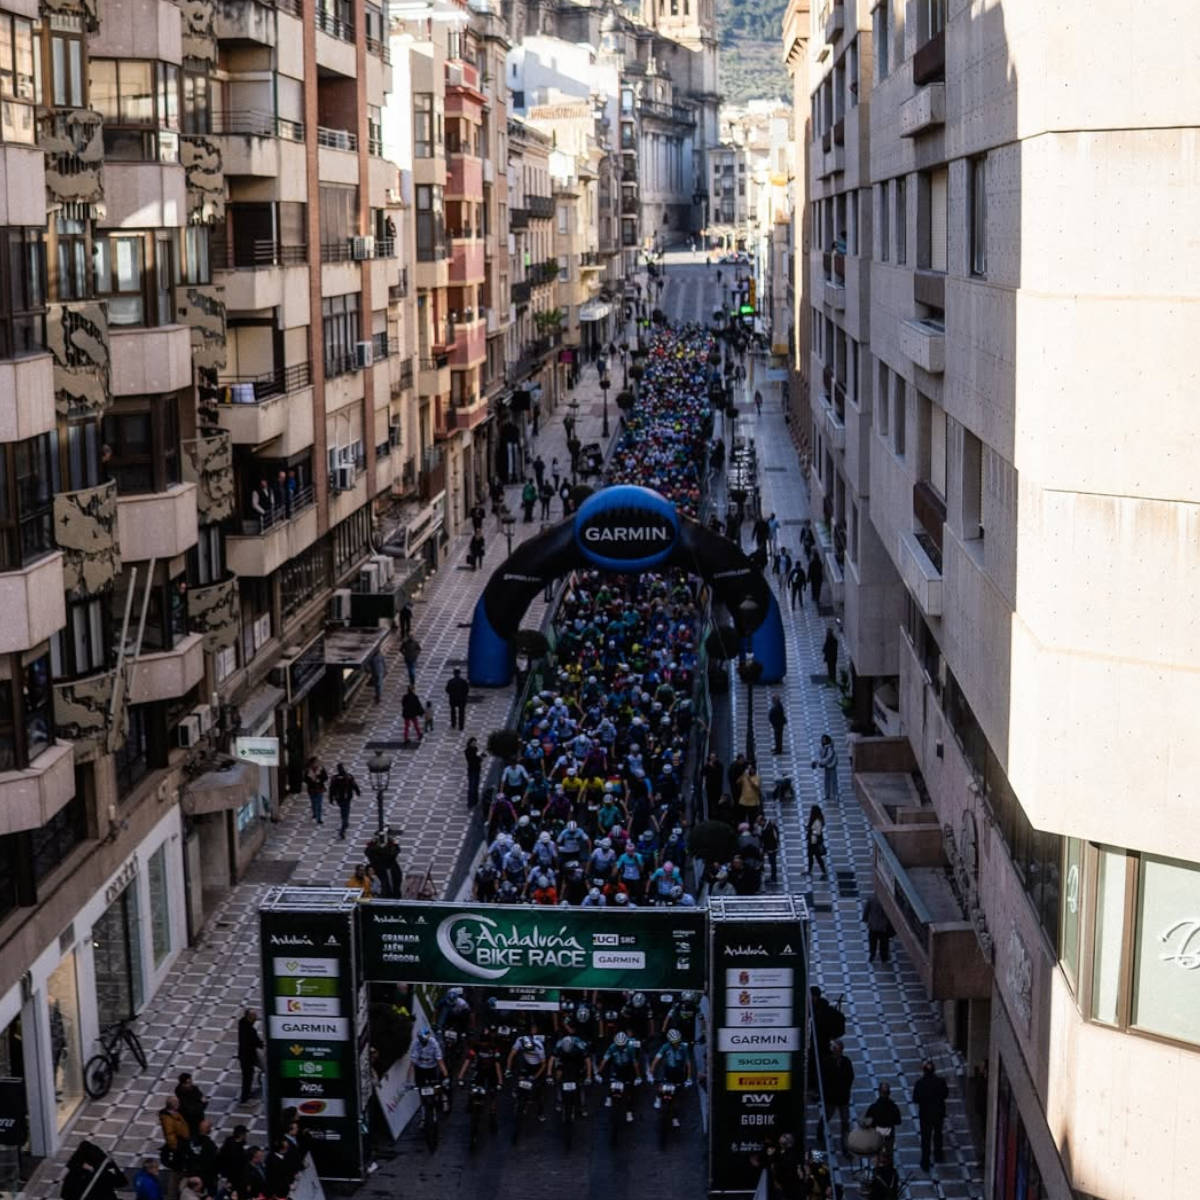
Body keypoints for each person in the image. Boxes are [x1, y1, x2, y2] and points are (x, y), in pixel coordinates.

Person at [816, 1039, 854, 1155]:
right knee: (827, 1116)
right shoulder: (827, 1062)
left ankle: (845, 1147)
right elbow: (824, 1079)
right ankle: (820, 1132)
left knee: (845, 1122)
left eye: (838, 1049)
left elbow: (850, 1077)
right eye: (835, 1049)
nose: (837, 1052)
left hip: (843, 1098)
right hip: (831, 1098)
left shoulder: (846, 1062)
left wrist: (845, 1089)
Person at [913, 1058, 950, 1170]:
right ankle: (938, 1155)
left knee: (926, 1138)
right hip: (938, 1113)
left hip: (925, 1114)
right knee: (938, 1134)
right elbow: (945, 1094)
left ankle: (925, 1161)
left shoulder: (920, 1083)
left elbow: (915, 1098)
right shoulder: (940, 1082)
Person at [236, 1010, 263, 1104]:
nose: (256, 1017)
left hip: (247, 1054)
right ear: (250, 1017)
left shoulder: (242, 1023)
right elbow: (256, 1042)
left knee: (249, 1076)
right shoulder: (250, 1030)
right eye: (254, 1016)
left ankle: (247, 1095)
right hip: (247, 1057)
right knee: (247, 1077)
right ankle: (244, 1099)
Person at [330, 762, 360, 840]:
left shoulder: (335, 778)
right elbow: (354, 785)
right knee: (345, 812)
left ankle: (345, 823)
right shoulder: (348, 777)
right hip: (345, 798)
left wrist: (331, 798)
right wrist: (357, 791)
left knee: (344, 811)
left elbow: (331, 789)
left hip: (339, 798)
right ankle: (343, 829)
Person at [863, 892, 894, 963]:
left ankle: (872, 955)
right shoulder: (886, 901)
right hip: (883, 926)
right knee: (884, 942)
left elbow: (866, 910)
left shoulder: (871, 899)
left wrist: (865, 919)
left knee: (872, 942)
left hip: (873, 925)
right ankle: (884, 957)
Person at [216, 1126, 248, 1193]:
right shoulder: (236, 1148)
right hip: (235, 1176)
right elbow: (237, 1164)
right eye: (245, 1134)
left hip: (230, 1173)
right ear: (241, 1135)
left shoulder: (229, 1142)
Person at [813, 734, 839, 803]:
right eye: (822, 739)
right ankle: (827, 794)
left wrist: (820, 762)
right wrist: (820, 762)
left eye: (824, 739)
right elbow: (821, 756)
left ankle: (835, 794)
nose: (822, 741)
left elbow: (828, 758)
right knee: (827, 780)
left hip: (831, 765)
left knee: (833, 780)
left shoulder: (830, 748)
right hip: (827, 766)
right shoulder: (822, 748)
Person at [303, 756, 327, 825]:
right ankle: (315, 813)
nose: (317, 763)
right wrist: (311, 780)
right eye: (315, 762)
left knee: (319, 804)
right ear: (312, 763)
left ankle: (319, 818)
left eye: (317, 762)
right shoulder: (308, 770)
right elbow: (305, 779)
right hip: (311, 789)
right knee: (313, 802)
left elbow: (325, 777)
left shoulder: (321, 769)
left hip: (319, 788)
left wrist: (319, 779)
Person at [806, 804, 828, 879]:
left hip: (815, 842)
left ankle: (824, 871)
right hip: (812, 841)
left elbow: (818, 832)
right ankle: (810, 870)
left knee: (817, 857)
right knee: (810, 856)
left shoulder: (817, 821)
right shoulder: (815, 819)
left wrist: (811, 830)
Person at [464, 737, 484, 808]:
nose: (474, 744)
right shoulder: (467, 751)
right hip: (471, 770)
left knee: (476, 785)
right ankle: (470, 803)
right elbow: (471, 760)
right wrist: (478, 757)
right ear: (470, 743)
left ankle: (475, 801)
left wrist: (481, 757)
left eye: (475, 743)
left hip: (477, 769)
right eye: (473, 743)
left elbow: (479, 759)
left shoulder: (476, 749)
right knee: (471, 786)